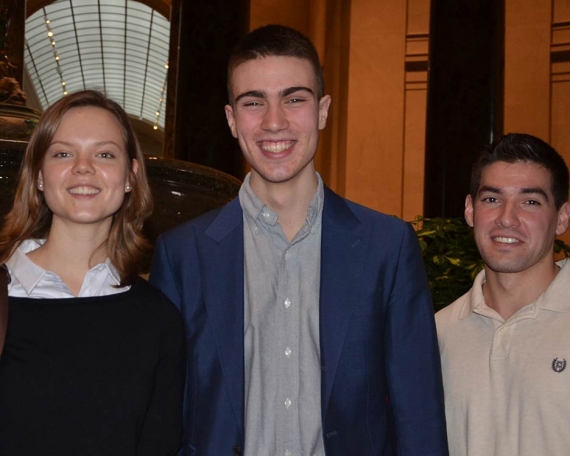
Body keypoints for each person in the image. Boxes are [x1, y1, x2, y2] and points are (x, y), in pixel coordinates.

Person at [150, 24, 448, 456]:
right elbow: (165, 415)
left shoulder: (387, 246)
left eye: (294, 99)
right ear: (232, 120)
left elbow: (417, 411)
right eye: (254, 102)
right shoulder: (182, 255)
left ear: (323, 110)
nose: (275, 121)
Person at [0, 90, 185, 455]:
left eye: (104, 154)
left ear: (130, 176)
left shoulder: (158, 320)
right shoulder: (5, 297)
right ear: (39, 176)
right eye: (63, 153)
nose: (83, 167)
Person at [436, 133, 570, 455]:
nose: (507, 219)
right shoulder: (436, 334)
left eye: (530, 202)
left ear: (562, 217)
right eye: (492, 199)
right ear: (470, 210)